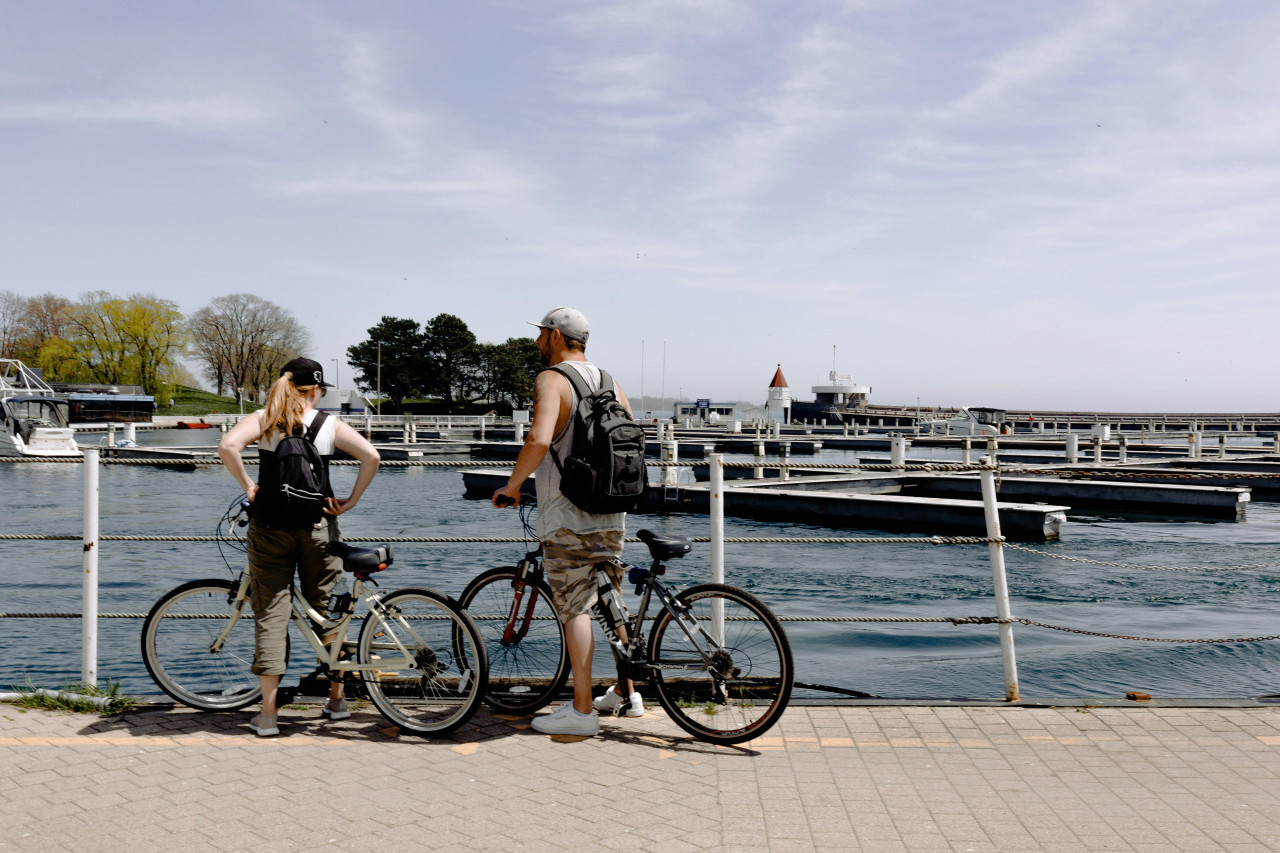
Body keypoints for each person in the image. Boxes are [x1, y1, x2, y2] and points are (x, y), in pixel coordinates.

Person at [492, 307, 641, 737]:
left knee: (575, 605)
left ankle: (580, 712)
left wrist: (513, 486)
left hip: (566, 511)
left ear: (556, 337)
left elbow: (539, 439)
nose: (538, 342)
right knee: (611, 599)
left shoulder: (551, 380)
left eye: (541, 335)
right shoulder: (612, 381)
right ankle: (627, 694)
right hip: (612, 509)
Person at [218, 357, 380, 736]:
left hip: (269, 526)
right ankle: (337, 701)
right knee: (327, 610)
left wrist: (249, 487)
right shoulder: (327, 424)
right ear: (317, 390)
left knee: (271, 614)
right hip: (318, 525)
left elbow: (228, 446)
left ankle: (269, 716)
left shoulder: (264, 419)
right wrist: (351, 500)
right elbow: (371, 457)